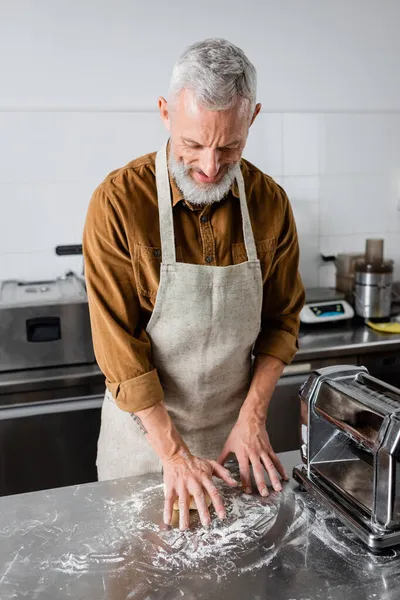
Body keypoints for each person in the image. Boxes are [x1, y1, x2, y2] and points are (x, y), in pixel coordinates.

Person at [83, 38, 305, 531]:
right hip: (144, 454)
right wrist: (174, 454)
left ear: (253, 118)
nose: (209, 166)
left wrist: (253, 418)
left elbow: (282, 322)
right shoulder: (118, 204)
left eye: (230, 147)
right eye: (192, 144)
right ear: (165, 113)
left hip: (237, 452)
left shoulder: (270, 204)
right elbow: (118, 346)